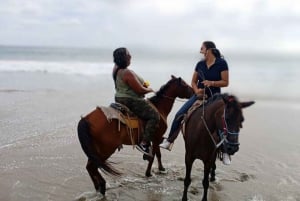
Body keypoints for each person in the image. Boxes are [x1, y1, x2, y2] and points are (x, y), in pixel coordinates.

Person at [159, 41, 231, 165]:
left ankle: (225, 151)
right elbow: (193, 82)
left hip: (215, 96)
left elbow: (225, 82)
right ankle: (169, 140)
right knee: (179, 114)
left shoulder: (221, 63)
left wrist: (212, 83)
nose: (200, 51)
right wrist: (197, 91)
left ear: (209, 50)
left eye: (202, 48)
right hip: (199, 95)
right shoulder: (200, 64)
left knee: (223, 121)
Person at [112, 47, 160, 157]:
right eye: (128, 54)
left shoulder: (115, 69)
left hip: (118, 97)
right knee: (155, 116)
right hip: (131, 100)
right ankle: (144, 143)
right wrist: (150, 90)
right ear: (123, 58)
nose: (130, 56)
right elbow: (139, 90)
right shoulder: (127, 73)